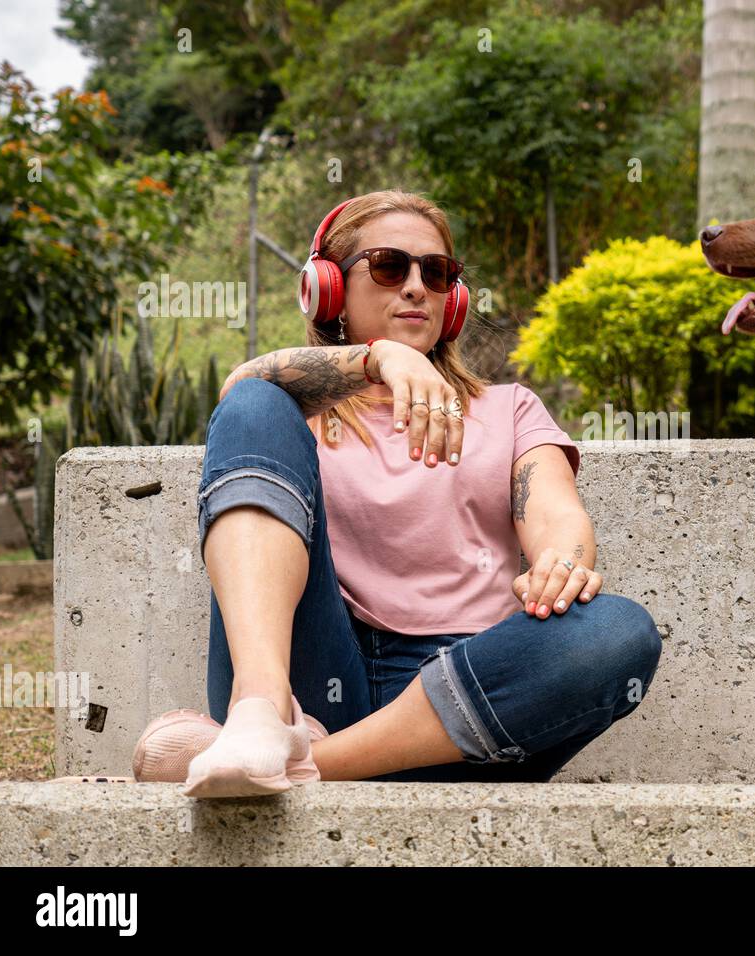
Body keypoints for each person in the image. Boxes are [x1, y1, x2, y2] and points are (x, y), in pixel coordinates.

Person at [132, 190, 663, 797]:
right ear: (328, 289)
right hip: (314, 675)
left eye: (436, 273)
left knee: (618, 632)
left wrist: (559, 564)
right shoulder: (291, 409)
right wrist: (377, 358)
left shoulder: (510, 408)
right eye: (389, 267)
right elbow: (239, 390)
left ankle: (297, 762)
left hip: (465, 694)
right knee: (253, 402)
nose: (416, 287)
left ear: (453, 299)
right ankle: (258, 714)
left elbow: (552, 507)